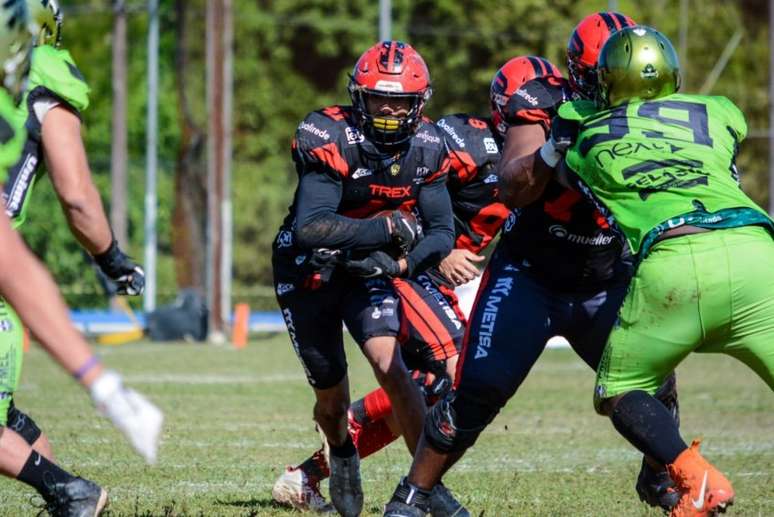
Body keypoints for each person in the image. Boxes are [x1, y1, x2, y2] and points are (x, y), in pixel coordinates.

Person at [384, 15, 682, 517]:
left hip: (604, 278)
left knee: (658, 382)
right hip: (530, 277)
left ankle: (659, 473)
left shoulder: (663, 116)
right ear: (587, 74)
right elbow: (512, 186)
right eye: (616, 76)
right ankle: (412, 498)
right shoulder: (544, 105)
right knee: (476, 394)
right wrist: (553, 147)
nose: (629, 92)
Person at [537, 25, 774, 516]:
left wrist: (562, 135)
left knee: (621, 389)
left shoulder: (588, 137)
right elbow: (726, 145)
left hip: (676, 262)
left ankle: (695, 478)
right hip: (758, 250)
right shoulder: (718, 109)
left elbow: (561, 173)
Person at [271, 82, 509, 515]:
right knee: (451, 374)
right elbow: (318, 223)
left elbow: (435, 214)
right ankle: (345, 452)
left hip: (394, 266)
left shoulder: (553, 160)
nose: (390, 111)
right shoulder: (464, 142)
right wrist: (407, 244)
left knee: (414, 376)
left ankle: (419, 488)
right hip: (352, 269)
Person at [0, 3, 163, 516]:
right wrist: (112, 258)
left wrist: (100, 380)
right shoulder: (33, 83)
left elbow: (69, 203)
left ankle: (68, 492)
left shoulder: (35, 83)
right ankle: (67, 491)